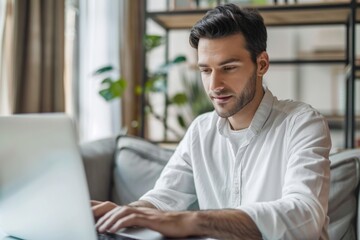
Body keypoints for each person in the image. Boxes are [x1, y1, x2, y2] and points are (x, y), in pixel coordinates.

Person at [92, 3, 331, 239]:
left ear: (262, 64)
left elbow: (304, 216)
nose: (214, 86)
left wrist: (194, 220)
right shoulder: (201, 130)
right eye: (206, 70)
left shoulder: (302, 123)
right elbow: (163, 198)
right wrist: (127, 213)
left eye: (228, 68)